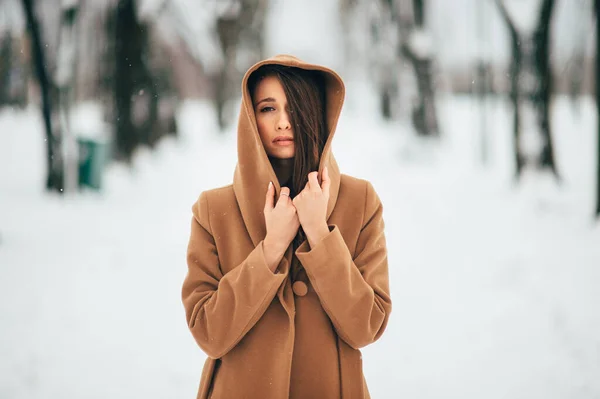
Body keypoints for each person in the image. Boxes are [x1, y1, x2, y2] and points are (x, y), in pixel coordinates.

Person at [182, 54, 392, 399]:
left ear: (316, 114)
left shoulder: (360, 200)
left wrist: (320, 236)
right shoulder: (213, 209)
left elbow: (367, 326)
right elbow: (208, 333)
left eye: (294, 107)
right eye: (267, 108)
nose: (283, 122)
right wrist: (270, 249)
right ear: (250, 118)